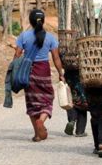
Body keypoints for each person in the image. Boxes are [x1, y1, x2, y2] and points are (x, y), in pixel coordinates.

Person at [14, 9, 64, 142]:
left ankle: (37, 134)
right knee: (48, 98)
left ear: (30, 21)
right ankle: (42, 119)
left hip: (28, 72)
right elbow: (56, 58)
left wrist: (14, 71)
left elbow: (17, 55)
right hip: (43, 71)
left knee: (32, 102)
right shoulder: (50, 37)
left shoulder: (24, 36)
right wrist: (61, 74)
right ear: (43, 21)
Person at [63, 69, 88, 137]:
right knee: (82, 103)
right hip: (83, 74)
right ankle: (80, 131)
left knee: (70, 99)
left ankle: (72, 120)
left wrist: (60, 73)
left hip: (69, 75)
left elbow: (57, 59)